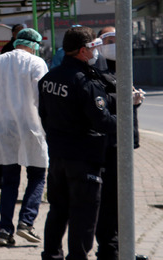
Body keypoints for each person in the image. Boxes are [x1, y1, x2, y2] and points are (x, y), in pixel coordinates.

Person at [38, 26, 117, 260]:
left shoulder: (48, 79)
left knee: (58, 211)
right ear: (83, 50)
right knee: (83, 214)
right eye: (94, 47)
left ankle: (52, 256)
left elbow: (44, 115)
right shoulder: (86, 83)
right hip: (84, 158)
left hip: (58, 156)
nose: (97, 53)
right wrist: (127, 111)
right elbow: (103, 122)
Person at [0, 28, 49, 246]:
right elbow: (41, 97)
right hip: (30, 125)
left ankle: (4, 231)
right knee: (37, 174)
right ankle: (26, 222)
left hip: (2, 128)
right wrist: (46, 123)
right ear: (34, 45)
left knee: (9, 180)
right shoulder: (36, 63)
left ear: (17, 42)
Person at [94, 27, 147, 260]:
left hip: (123, 140)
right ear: (100, 43)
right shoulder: (97, 70)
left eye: (118, 39)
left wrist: (134, 103)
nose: (115, 44)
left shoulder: (123, 67)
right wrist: (126, 101)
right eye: (109, 40)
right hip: (108, 144)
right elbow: (101, 106)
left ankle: (120, 247)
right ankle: (109, 249)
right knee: (109, 200)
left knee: (121, 199)